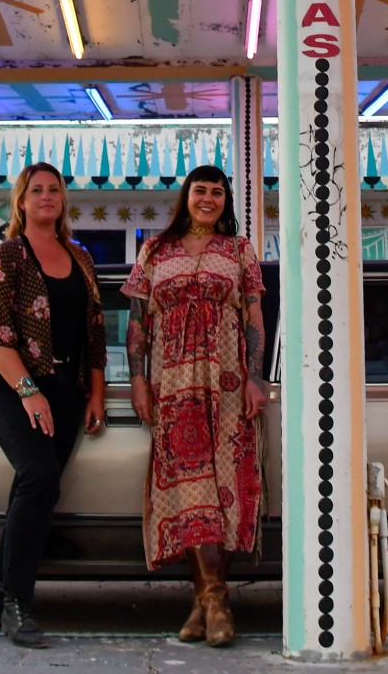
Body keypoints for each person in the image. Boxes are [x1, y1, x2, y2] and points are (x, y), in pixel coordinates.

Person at [121, 165, 267, 647]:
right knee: (187, 494)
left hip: (227, 385)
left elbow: (253, 315)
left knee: (225, 490)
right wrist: (138, 382)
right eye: (200, 190)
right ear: (186, 196)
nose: (208, 199)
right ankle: (216, 603)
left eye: (218, 192)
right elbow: (137, 321)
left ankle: (206, 602)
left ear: (226, 200)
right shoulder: (154, 251)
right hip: (173, 384)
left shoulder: (239, 250)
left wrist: (255, 377)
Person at [0, 162, 106, 648]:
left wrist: (95, 393)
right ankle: (16, 604)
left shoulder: (82, 257)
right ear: (22, 202)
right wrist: (30, 393)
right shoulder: (6, 256)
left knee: (32, 491)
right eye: (37, 190)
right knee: (38, 478)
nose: (47, 196)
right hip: (12, 388)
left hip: (68, 390)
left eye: (54, 189)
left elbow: (94, 329)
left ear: (63, 200)